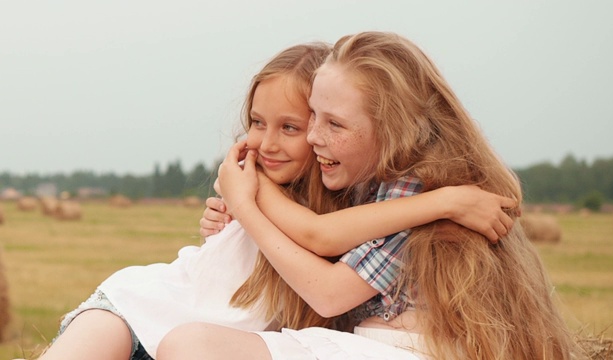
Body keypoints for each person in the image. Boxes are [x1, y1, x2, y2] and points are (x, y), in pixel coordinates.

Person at [37, 41, 515, 360]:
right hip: (154, 302)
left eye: (298, 126)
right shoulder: (256, 178)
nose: (271, 142)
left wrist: (448, 201)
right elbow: (310, 238)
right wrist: (233, 210)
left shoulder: (369, 193)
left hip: (225, 333)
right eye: (258, 123)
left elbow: (323, 248)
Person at [156, 31, 579, 359]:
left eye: (334, 124)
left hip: (403, 351)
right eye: (312, 118)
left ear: (393, 128)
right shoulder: (364, 185)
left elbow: (327, 286)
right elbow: (313, 234)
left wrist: (249, 203)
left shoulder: (418, 185)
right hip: (368, 346)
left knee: (189, 346)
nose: (315, 137)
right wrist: (238, 213)